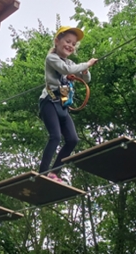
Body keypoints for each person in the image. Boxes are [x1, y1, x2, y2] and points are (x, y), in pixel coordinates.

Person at [39, 26, 97, 182]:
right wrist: (86, 64)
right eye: (67, 41)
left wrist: (84, 71)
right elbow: (66, 69)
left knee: (72, 139)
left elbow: (86, 79)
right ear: (57, 41)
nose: (70, 45)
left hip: (63, 103)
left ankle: (54, 172)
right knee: (55, 137)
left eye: (73, 44)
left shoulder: (70, 62)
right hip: (49, 101)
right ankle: (43, 172)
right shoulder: (52, 58)